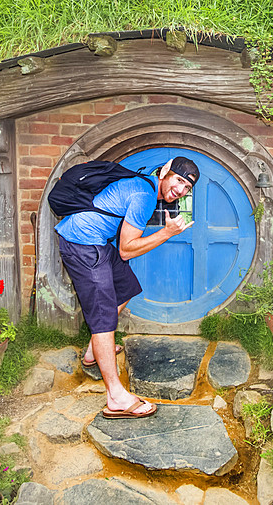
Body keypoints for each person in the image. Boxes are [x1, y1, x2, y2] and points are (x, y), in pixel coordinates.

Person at [55, 155, 199, 418]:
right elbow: (126, 250)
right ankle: (116, 398)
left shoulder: (144, 186)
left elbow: (121, 253)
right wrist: (166, 233)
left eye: (187, 188)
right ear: (165, 171)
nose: (180, 190)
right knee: (103, 319)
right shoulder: (145, 195)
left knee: (126, 287)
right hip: (83, 244)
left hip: (96, 242)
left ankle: (92, 354)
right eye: (178, 180)